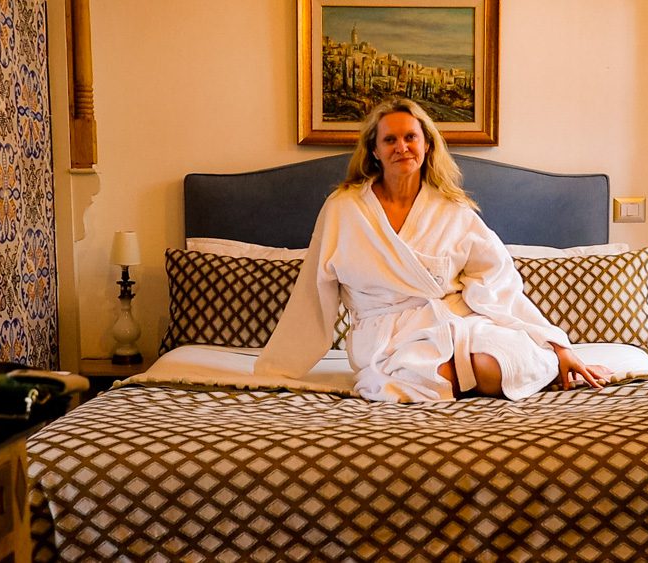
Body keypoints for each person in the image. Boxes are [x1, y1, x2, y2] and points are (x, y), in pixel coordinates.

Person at [255, 98, 611, 401]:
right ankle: (450, 374)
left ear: (427, 145)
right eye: (390, 139)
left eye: (411, 137)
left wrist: (559, 346)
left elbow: (499, 284)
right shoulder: (344, 209)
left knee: (505, 363)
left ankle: (469, 371)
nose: (401, 147)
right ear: (374, 151)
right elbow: (314, 291)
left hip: (457, 321)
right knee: (422, 374)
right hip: (385, 335)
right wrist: (281, 367)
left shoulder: (453, 210)